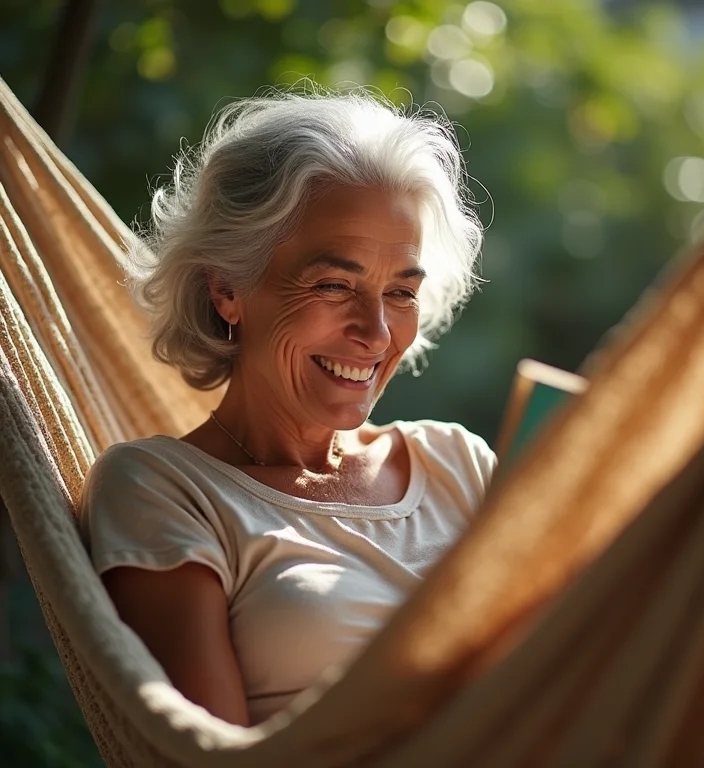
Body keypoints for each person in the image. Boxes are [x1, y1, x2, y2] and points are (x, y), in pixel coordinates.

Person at [79, 87, 497, 728]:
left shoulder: (461, 465)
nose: (378, 332)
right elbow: (207, 752)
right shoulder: (164, 490)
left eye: (401, 292)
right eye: (334, 284)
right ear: (227, 289)